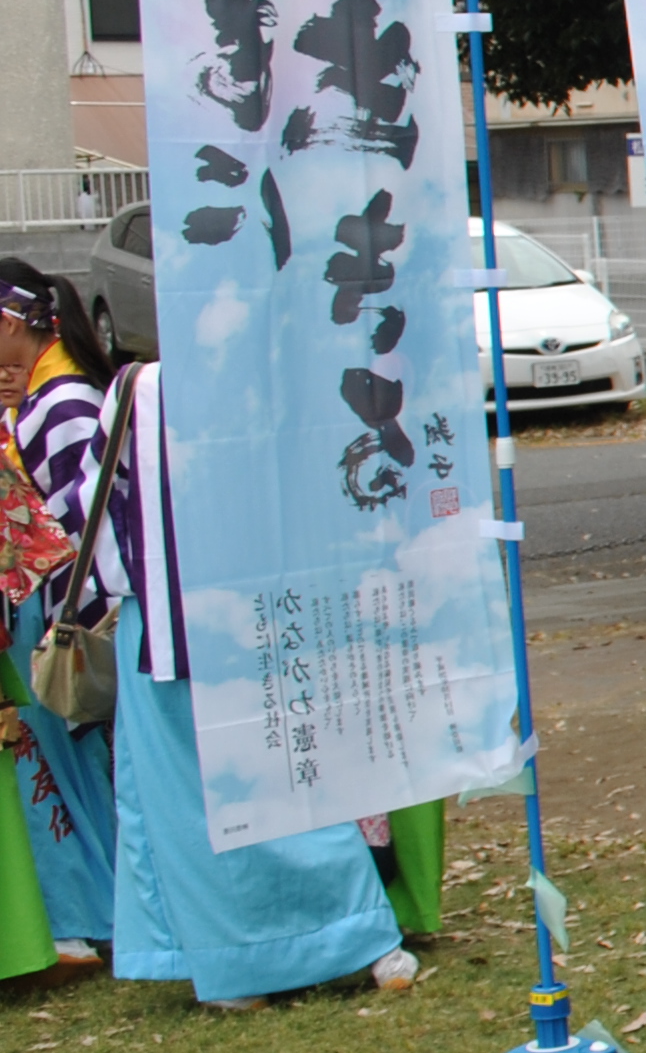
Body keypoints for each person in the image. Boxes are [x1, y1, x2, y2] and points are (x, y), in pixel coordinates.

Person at [84, 357, 406, 1005]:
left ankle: (241, 964)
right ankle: (353, 940)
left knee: (193, 802)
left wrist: (127, 586)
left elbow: (96, 502)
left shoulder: (137, 389)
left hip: (170, 618)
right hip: (262, 613)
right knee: (293, 781)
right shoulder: (270, 366)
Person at [0, 262, 115, 967]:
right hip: (37, 606)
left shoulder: (63, 398)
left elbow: (74, 523)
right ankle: (87, 911)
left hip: (46, 610)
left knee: (55, 766)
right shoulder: (39, 393)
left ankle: (84, 915)